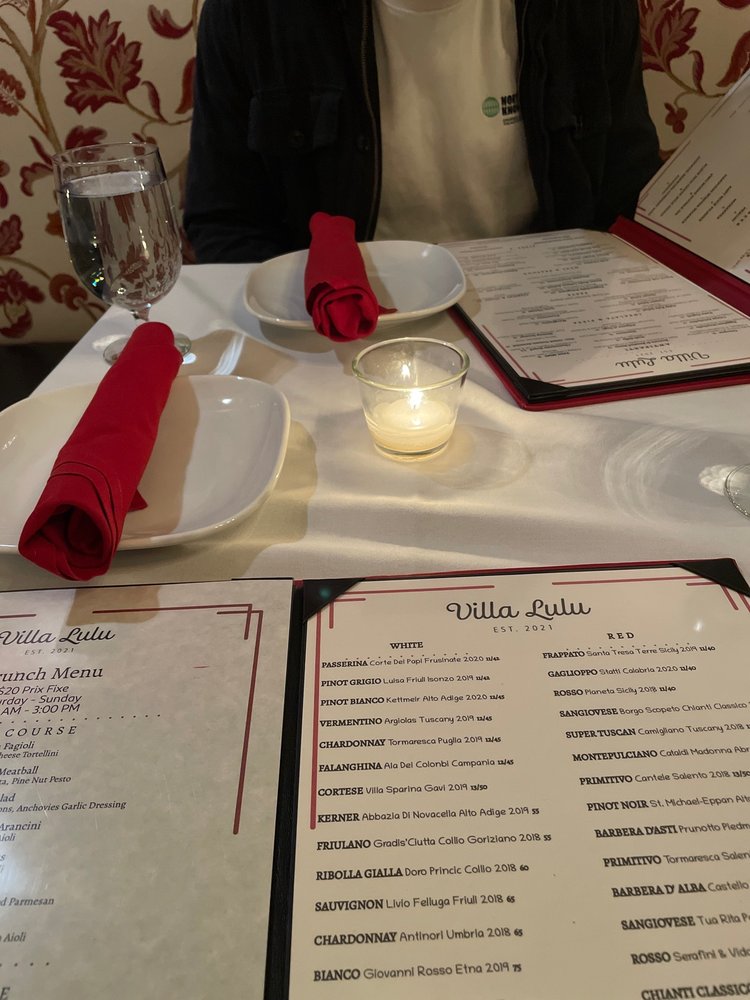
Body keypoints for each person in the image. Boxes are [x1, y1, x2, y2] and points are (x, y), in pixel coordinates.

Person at [184, 0, 661, 264]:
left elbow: (628, 195)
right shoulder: (251, 15)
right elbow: (224, 220)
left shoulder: (586, 11)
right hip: (335, 325)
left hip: (544, 313)